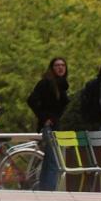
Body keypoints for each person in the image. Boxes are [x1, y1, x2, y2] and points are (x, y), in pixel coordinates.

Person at [27, 57, 68, 190]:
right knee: (54, 160)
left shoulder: (62, 85)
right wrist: (44, 117)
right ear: (52, 68)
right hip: (50, 127)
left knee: (50, 159)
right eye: (57, 65)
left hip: (58, 127)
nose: (60, 68)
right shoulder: (45, 83)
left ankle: (44, 189)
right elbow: (31, 100)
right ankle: (49, 190)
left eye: (63, 65)